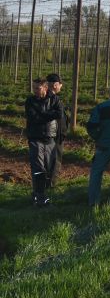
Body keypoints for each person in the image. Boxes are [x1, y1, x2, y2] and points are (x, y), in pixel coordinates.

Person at [25, 77, 60, 207]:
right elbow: (33, 117)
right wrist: (49, 114)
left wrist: (42, 114)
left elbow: (59, 114)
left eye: (37, 88)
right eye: (33, 87)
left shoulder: (54, 99)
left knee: (49, 168)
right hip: (35, 138)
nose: (34, 90)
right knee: (38, 167)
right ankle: (41, 198)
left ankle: (37, 193)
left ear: (45, 88)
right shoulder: (29, 101)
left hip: (50, 138)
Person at [45, 72, 68, 188]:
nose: (61, 86)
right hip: (54, 137)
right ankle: (50, 186)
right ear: (55, 85)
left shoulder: (49, 97)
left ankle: (47, 184)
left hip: (53, 135)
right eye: (60, 84)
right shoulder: (51, 99)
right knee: (54, 162)